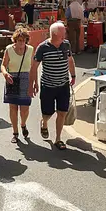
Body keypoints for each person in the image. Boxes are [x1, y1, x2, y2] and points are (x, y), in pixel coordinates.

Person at [31, 21, 76, 149]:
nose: (65, 35)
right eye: (63, 33)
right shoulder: (42, 47)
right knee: (48, 113)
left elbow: (70, 60)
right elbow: (34, 66)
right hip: (48, 86)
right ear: (56, 34)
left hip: (63, 85)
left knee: (62, 112)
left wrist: (73, 75)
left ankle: (58, 139)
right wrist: (33, 83)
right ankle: (44, 122)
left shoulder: (66, 45)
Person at [1, 27, 35, 144]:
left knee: (24, 109)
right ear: (15, 40)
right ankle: (15, 133)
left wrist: (33, 83)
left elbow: (33, 68)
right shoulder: (9, 49)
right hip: (12, 79)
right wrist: (5, 74)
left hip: (26, 78)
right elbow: (3, 65)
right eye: (19, 40)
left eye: (23, 40)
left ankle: (23, 124)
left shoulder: (30, 50)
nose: (21, 43)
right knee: (13, 107)